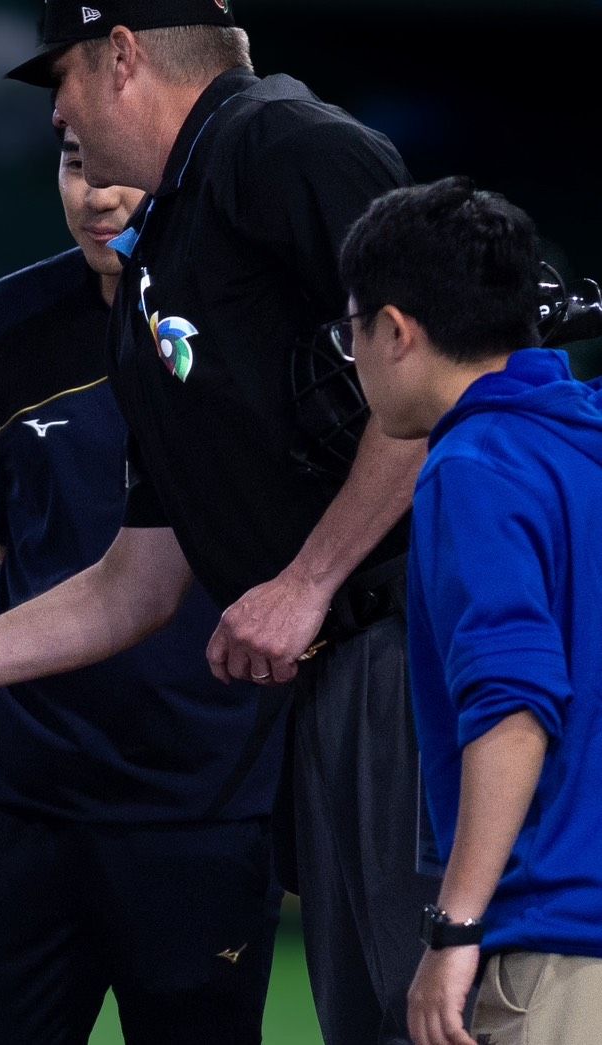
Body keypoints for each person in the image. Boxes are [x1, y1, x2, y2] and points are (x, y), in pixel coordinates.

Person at [0, 4, 440, 1042]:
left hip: (417, 659)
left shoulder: (280, 139)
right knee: (376, 1011)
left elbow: (448, 385)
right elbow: (129, 583)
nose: (63, 120)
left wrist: (307, 579)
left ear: (124, 55)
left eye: (66, 80)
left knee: (431, 1006)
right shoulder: (157, 302)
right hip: (287, 697)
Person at [0, 117, 284, 1043]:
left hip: (203, 799)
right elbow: (11, 547)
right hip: (16, 796)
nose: (95, 194)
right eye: (72, 162)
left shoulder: (270, 327)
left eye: (121, 168)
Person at [338, 176, 602, 1045]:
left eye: (353, 329)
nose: (356, 353)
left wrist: (451, 929)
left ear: (397, 331)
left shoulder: (471, 464)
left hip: (560, 947)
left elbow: (516, 706)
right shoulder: (582, 439)